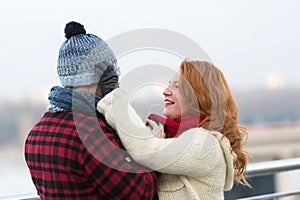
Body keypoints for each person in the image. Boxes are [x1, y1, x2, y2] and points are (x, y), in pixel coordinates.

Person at [24, 21, 160, 199]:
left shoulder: (36, 132)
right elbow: (140, 192)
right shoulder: (91, 134)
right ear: (104, 76)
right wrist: (153, 150)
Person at [97, 60, 250, 200]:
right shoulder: (173, 137)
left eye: (177, 87)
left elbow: (146, 150)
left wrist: (115, 99)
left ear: (200, 96)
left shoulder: (206, 145)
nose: (166, 91)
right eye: (169, 84)